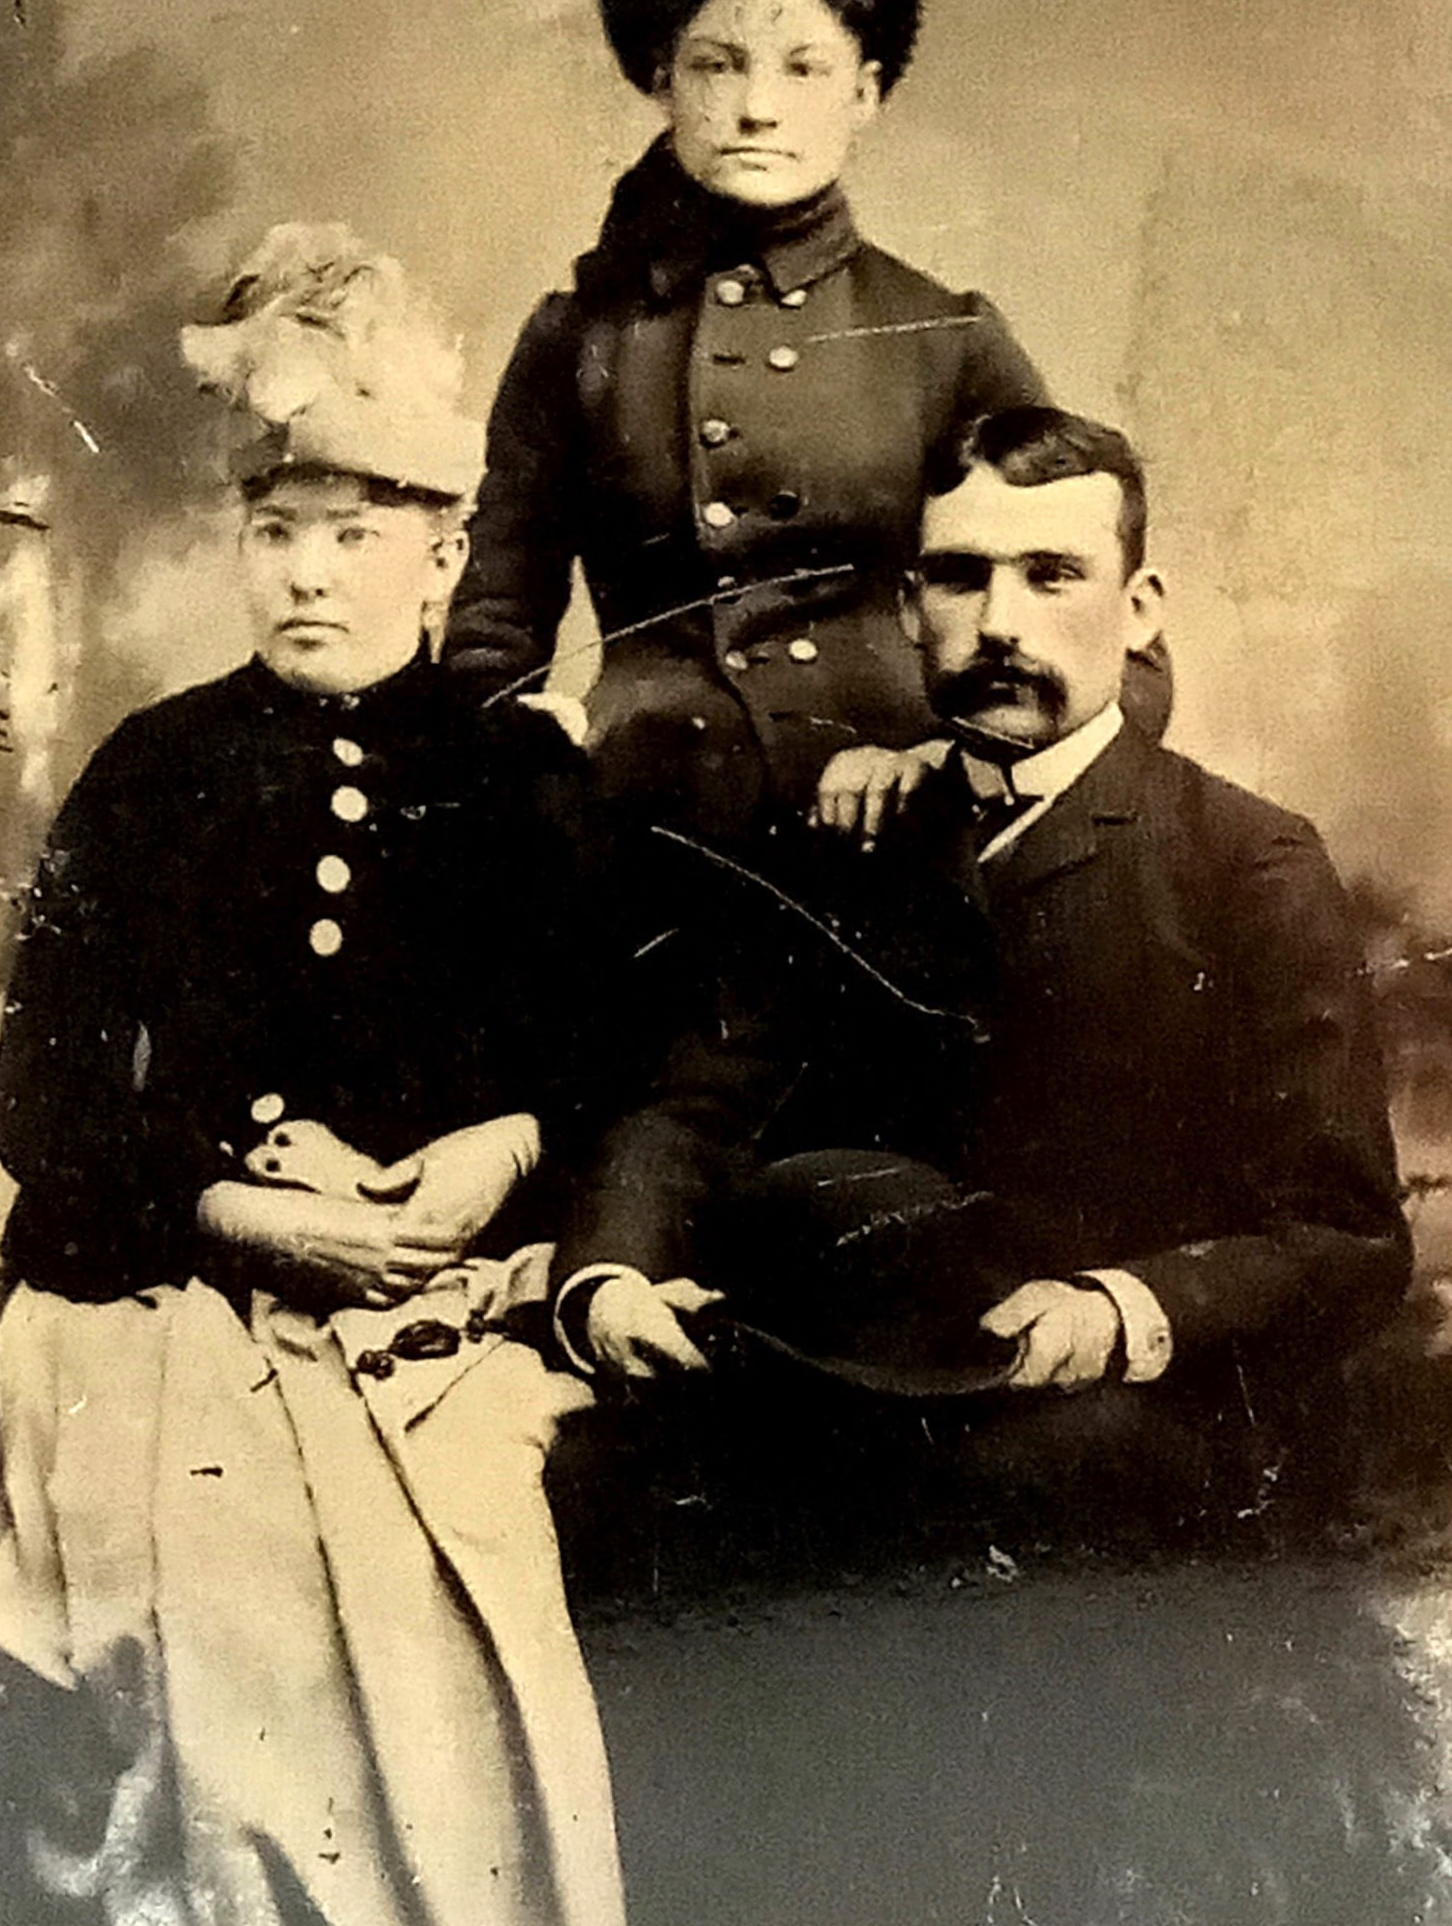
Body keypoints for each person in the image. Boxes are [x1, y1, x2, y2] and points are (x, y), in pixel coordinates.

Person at [0, 226, 640, 1926]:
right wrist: (236, 1201)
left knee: (452, 1585)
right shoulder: (154, 772)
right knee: (218, 1581)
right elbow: (50, 1108)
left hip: (440, 1305)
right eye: (275, 526)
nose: (310, 571)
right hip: (163, 1286)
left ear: (442, 554)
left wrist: (490, 1154)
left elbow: (604, 1064)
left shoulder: (519, 778)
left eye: (357, 529)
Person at [554, 406, 1410, 1518]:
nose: (1000, 622)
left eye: (1052, 574)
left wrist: (1115, 1311)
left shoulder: (1243, 856)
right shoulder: (859, 835)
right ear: (912, 606)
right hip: (862, 1369)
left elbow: (1345, 1238)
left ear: (1139, 609)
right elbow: (699, 1102)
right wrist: (607, 1277)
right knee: (601, 1480)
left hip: (1143, 1411)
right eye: (960, 578)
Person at [444, 0, 1077, 846]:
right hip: (640, 848)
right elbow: (493, 628)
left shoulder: (944, 338)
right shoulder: (576, 340)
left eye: (802, 68)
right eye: (717, 63)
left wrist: (947, 755)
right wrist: (521, 746)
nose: (756, 108)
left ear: (865, 94)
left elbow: (1098, 619)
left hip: (896, 843)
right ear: (660, 81)